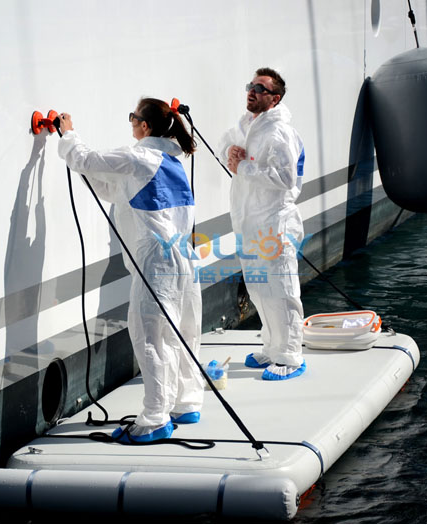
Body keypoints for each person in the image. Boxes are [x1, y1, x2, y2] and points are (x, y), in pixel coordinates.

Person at [57, 98, 204, 442]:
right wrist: (85, 173)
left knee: (150, 336)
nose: (131, 123)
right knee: (183, 331)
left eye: (132, 117)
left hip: (157, 262)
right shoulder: (169, 160)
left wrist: (68, 133)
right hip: (184, 257)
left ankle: (155, 418)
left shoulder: (140, 156)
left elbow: (86, 158)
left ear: (144, 126)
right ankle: (187, 401)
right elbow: (116, 192)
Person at [218, 67, 306, 381]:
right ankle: (271, 347)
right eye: (250, 85)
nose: (252, 91)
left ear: (275, 98)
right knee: (258, 289)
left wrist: (242, 167)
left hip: (275, 224)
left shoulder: (280, 132)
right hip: (248, 223)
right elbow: (223, 150)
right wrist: (231, 153)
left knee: (281, 290)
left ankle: (291, 356)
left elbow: (285, 179)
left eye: (260, 88)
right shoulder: (246, 124)